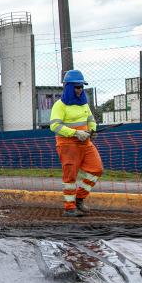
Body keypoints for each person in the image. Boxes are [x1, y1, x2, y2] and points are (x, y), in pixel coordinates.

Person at [49, 69, 104, 217]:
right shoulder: (59, 106)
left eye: (81, 87)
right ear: (68, 87)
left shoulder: (84, 104)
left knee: (96, 169)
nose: (80, 90)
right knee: (70, 176)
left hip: (85, 143)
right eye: (77, 87)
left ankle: (79, 198)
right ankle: (69, 207)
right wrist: (75, 133)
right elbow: (54, 126)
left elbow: (91, 119)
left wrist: (92, 130)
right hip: (67, 145)